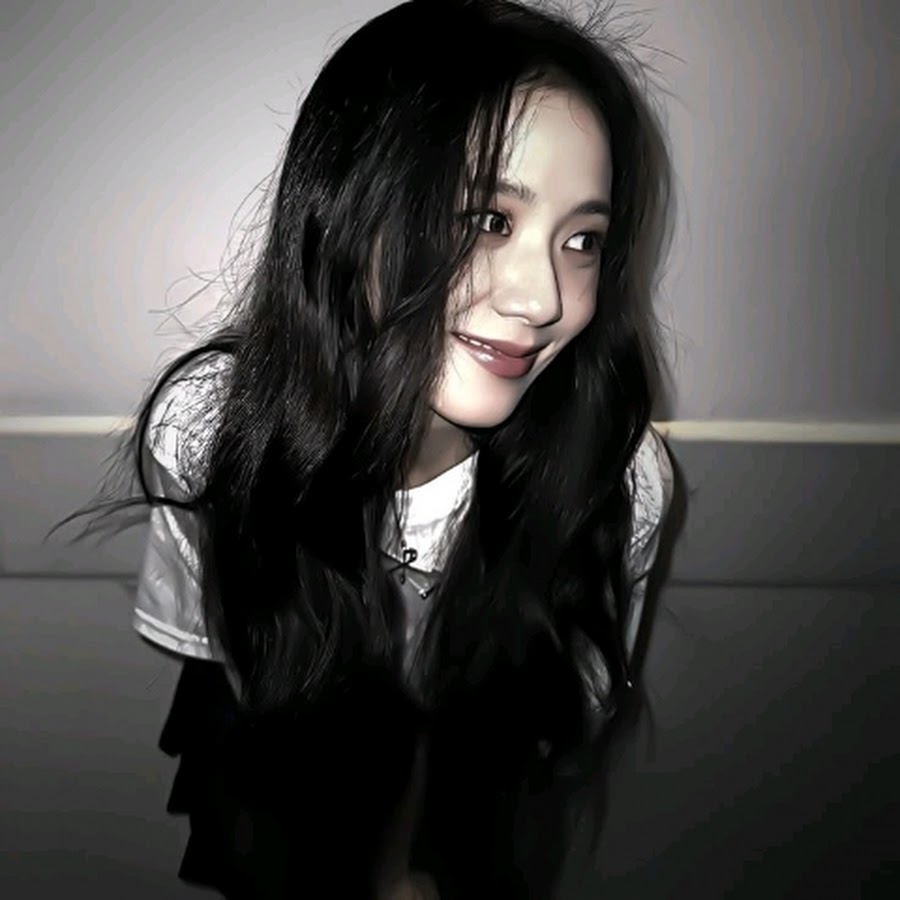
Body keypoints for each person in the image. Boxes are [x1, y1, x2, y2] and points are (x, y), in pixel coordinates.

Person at [69, 1, 675, 896]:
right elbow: (226, 659)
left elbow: (552, 728)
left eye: (583, 240)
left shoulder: (617, 485)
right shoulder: (209, 431)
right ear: (350, 214)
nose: (544, 297)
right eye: (487, 219)